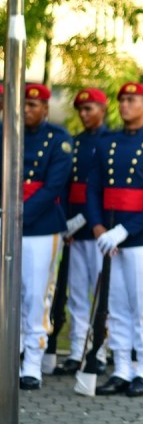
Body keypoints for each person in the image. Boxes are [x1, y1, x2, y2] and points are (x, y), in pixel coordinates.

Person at [86, 82, 143, 397]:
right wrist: (98, 226)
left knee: (142, 305)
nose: (124, 105)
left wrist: (125, 230)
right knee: (116, 305)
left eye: (131, 100)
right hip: (110, 234)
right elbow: (94, 189)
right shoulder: (107, 142)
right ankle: (122, 368)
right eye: (122, 100)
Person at [18, 83, 73, 390]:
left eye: (33, 105)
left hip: (40, 224)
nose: (27, 109)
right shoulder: (7, 131)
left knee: (36, 293)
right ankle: (12, 353)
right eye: (24, 104)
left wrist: (19, 215)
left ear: (45, 108)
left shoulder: (58, 139)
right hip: (7, 219)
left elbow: (54, 186)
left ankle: (32, 361)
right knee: (9, 295)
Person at [52, 88, 109, 376]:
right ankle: (77, 350)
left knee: (103, 296)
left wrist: (90, 219)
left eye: (90, 108)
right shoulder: (74, 143)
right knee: (76, 293)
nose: (84, 114)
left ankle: (100, 349)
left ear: (103, 109)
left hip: (100, 228)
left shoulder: (111, 142)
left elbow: (103, 190)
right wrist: (66, 222)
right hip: (75, 230)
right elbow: (64, 187)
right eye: (81, 110)